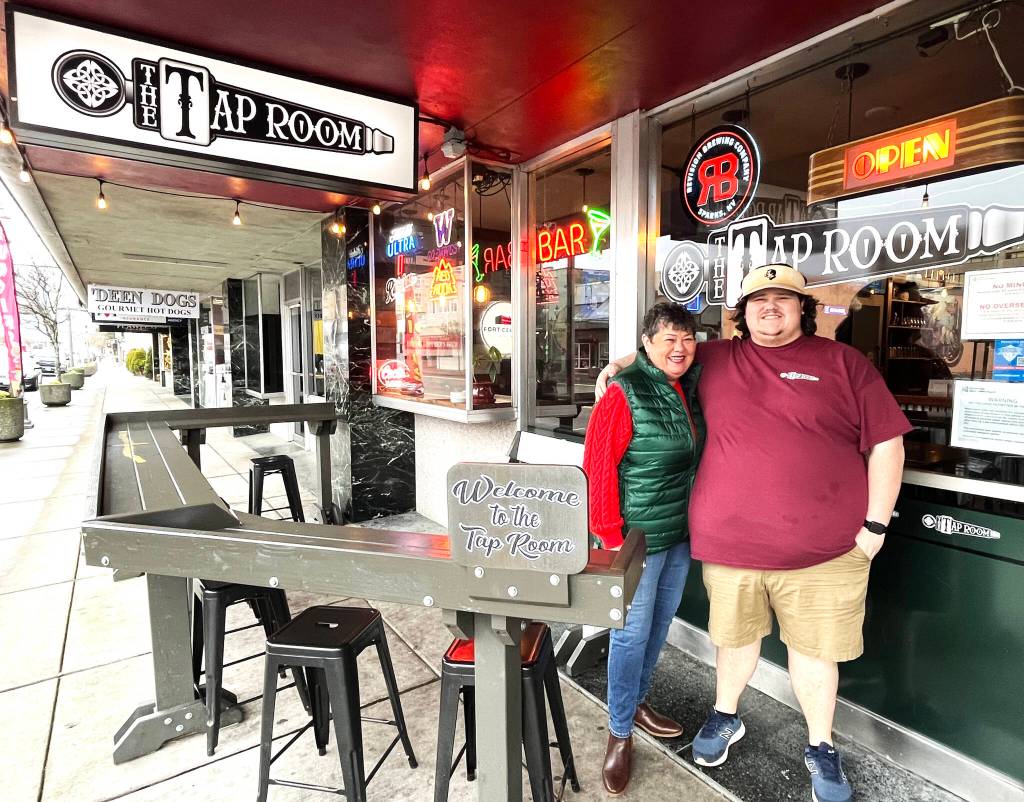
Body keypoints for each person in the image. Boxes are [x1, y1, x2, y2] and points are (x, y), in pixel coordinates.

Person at [596, 265, 909, 802]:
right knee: (733, 640)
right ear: (741, 312)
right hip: (730, 548)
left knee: (815, 653)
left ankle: (820, 746)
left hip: (825, 551)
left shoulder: (845, 363)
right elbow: (663, 353)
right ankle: (725, 716)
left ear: (803, 308)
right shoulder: (717, 357)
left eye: (783, 298)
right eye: (758, 299)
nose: (770, 307)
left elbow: (888, 444)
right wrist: (615, 365)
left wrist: (875, 526)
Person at [583, 302, 706, 796]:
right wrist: (611, 539)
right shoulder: (624, 391)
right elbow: (597, 470)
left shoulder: (688, 384)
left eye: (687, 338)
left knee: (658, 626)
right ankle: (619, 732)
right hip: (635, 542)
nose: (680, 348)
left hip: (678, 537)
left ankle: (636, 702)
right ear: (647, 344)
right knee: (630, 636)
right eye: (668, 339)